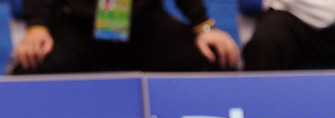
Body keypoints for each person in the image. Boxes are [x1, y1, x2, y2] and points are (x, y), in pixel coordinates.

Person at [10, 0, 240, 74]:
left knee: (216, 58)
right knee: (30, 67)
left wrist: (203, 26)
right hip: (77, 25)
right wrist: (37, 26)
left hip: (143, 25)